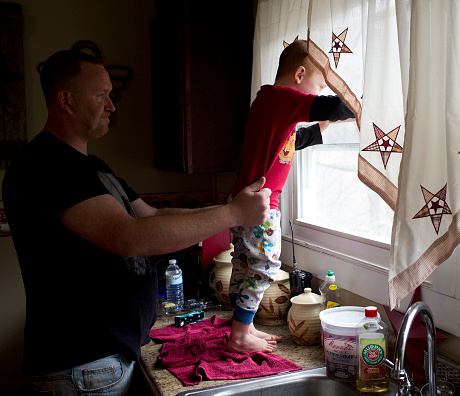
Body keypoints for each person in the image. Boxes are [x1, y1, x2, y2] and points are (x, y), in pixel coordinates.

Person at [1, 50, 271, 395]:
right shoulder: (44, 165)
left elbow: (154, 216)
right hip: (83, 368)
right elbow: (129, 237)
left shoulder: (92, 167)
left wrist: (232, 210)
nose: (112, 105)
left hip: (105, 361)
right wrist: (234, 214)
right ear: (65, 100)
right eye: (101, 95)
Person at [227, 40, 355, 353]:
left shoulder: (271, 105)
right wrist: (359, 106)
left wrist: (325, 125)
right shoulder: (281, 98)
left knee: (246, 264)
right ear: (299, 75)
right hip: (259, 206)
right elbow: (333, 105)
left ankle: (243, 326)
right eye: (320, 83)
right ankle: (240, 335)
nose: (319, 90)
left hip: (244, 202)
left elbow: (295, 141)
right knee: (263, 264)